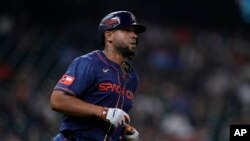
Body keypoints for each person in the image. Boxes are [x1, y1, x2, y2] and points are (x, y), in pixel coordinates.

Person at [50, 10, 146, 141]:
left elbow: (111, 117)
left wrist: (124, 130)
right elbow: (57, 100)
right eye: (127, 30)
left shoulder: (132, 77)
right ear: (109, 36)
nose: (134, 35)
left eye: (135, 32)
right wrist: (103, 112)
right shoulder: (89, 63)